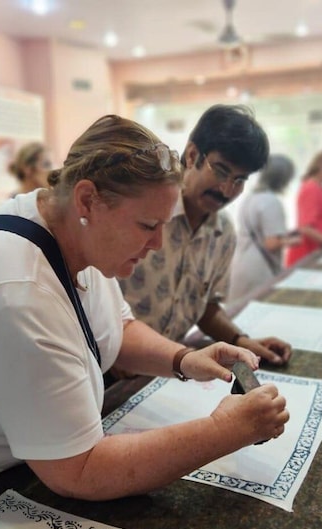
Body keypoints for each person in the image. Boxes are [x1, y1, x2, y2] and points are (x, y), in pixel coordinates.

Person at [0, 115, 289, 529]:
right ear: (87, 199)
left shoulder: (73, 232)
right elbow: (79, 471)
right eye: (148, 226)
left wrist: (184, 360)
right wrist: (224, 431)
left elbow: (117, 328)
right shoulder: (16, 290)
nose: (157, 244)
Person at [120, 105, 292, 367]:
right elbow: (93, 292)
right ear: (192, 155)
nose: (227, 189)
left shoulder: (223, 232)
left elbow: (206, 307)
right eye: (221, 171)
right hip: (113, 366)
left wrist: (241, 340)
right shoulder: (143, 211)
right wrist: (113, 350)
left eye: (239, 180)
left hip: (169, 366)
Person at [228, 154, 300, 305]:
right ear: (284, 179)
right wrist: (294, 240)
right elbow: (271, 243)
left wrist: (284, 235)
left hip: (241, 263)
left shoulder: (250, 197)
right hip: (260, 269)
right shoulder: (271, 201)